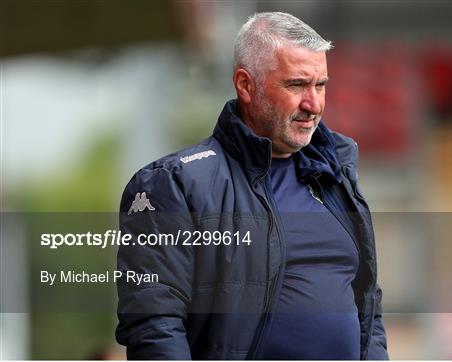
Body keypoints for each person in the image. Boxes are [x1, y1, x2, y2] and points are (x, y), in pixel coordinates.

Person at [116, 12, 388, 360]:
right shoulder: (174, 185)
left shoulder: (335, 178)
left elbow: (368, 305)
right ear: (245, 85)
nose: (314, 104)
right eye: (296, 85)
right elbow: (153, 324)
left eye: (320, 85)